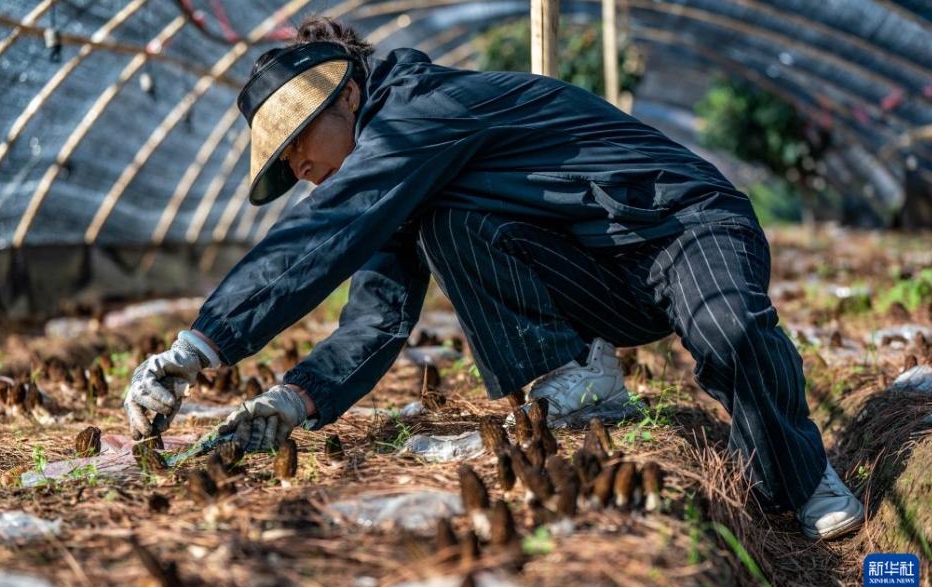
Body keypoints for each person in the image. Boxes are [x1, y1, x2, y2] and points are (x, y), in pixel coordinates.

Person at [123, 16, 864, 540]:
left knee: (728, 333)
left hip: (680, 224)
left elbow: (326, 230)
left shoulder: (419, 115)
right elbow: (376, 318)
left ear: (349, 92)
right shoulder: (401, 179)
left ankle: (805, 475)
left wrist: (202, 344)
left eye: (296, 143)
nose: (299, 169)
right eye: (283, 164)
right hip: (603, 278)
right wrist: (294, 399)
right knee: (449, 222)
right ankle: (576, 374)